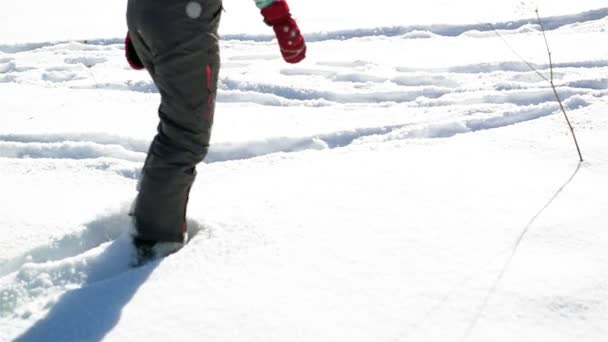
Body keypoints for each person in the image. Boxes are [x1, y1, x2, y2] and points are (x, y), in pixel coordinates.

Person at [125, 0, 306, 262]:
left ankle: (148, 219)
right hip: (182, 20)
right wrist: (280, 18)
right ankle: (153, 242)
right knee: (185, 135)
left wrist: (144, 21)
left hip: (148, 13)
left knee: (177, 126)